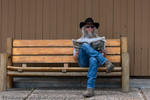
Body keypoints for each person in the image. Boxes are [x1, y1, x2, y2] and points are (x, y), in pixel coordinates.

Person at [73, 17, 114, 97]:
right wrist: (77, 53)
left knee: (93, 59)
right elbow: (75, 59)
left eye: (92, 27)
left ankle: (90, 89)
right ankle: (106, 62)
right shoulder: (80, 40)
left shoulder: (99, 39)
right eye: (88, 27)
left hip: (94, 62)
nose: (90, 29)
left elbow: (103, 52)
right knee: (84, 45)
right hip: (83, 61)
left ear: (94, 29)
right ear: (84, 29)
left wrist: (104, 53)